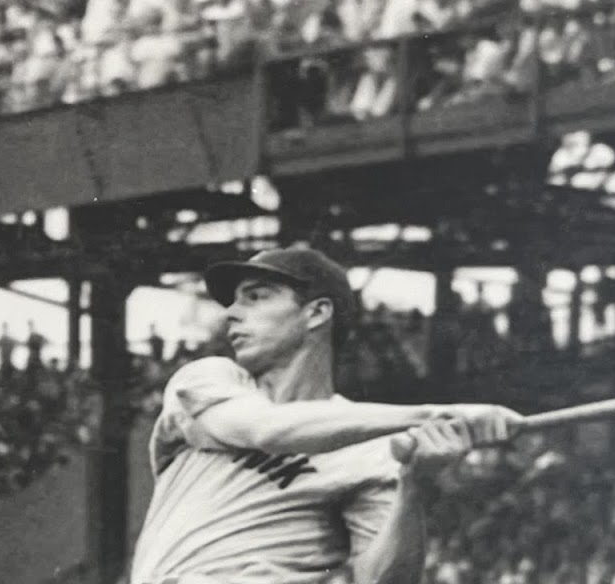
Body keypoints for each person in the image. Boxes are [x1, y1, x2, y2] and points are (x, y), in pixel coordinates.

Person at [128, 246, 519, 584]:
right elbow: (269, 431)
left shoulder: (372, 450)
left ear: (316, 313)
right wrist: (439, 413)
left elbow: (384, 580)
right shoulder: (210, 377)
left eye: (256, 296)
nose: (231, 312)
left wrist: (412, 486)